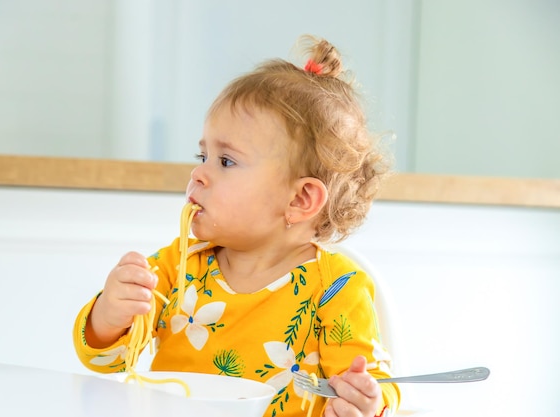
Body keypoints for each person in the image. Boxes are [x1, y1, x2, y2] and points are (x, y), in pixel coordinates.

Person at [73, 34, 400, 417]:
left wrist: (365, 404)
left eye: (225, 161)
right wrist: (110, 316)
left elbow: (373, 387)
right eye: (203, 154)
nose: (198, 172)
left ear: (299, 200)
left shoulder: (337, 288)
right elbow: (107, 363)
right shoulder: (177, 266)